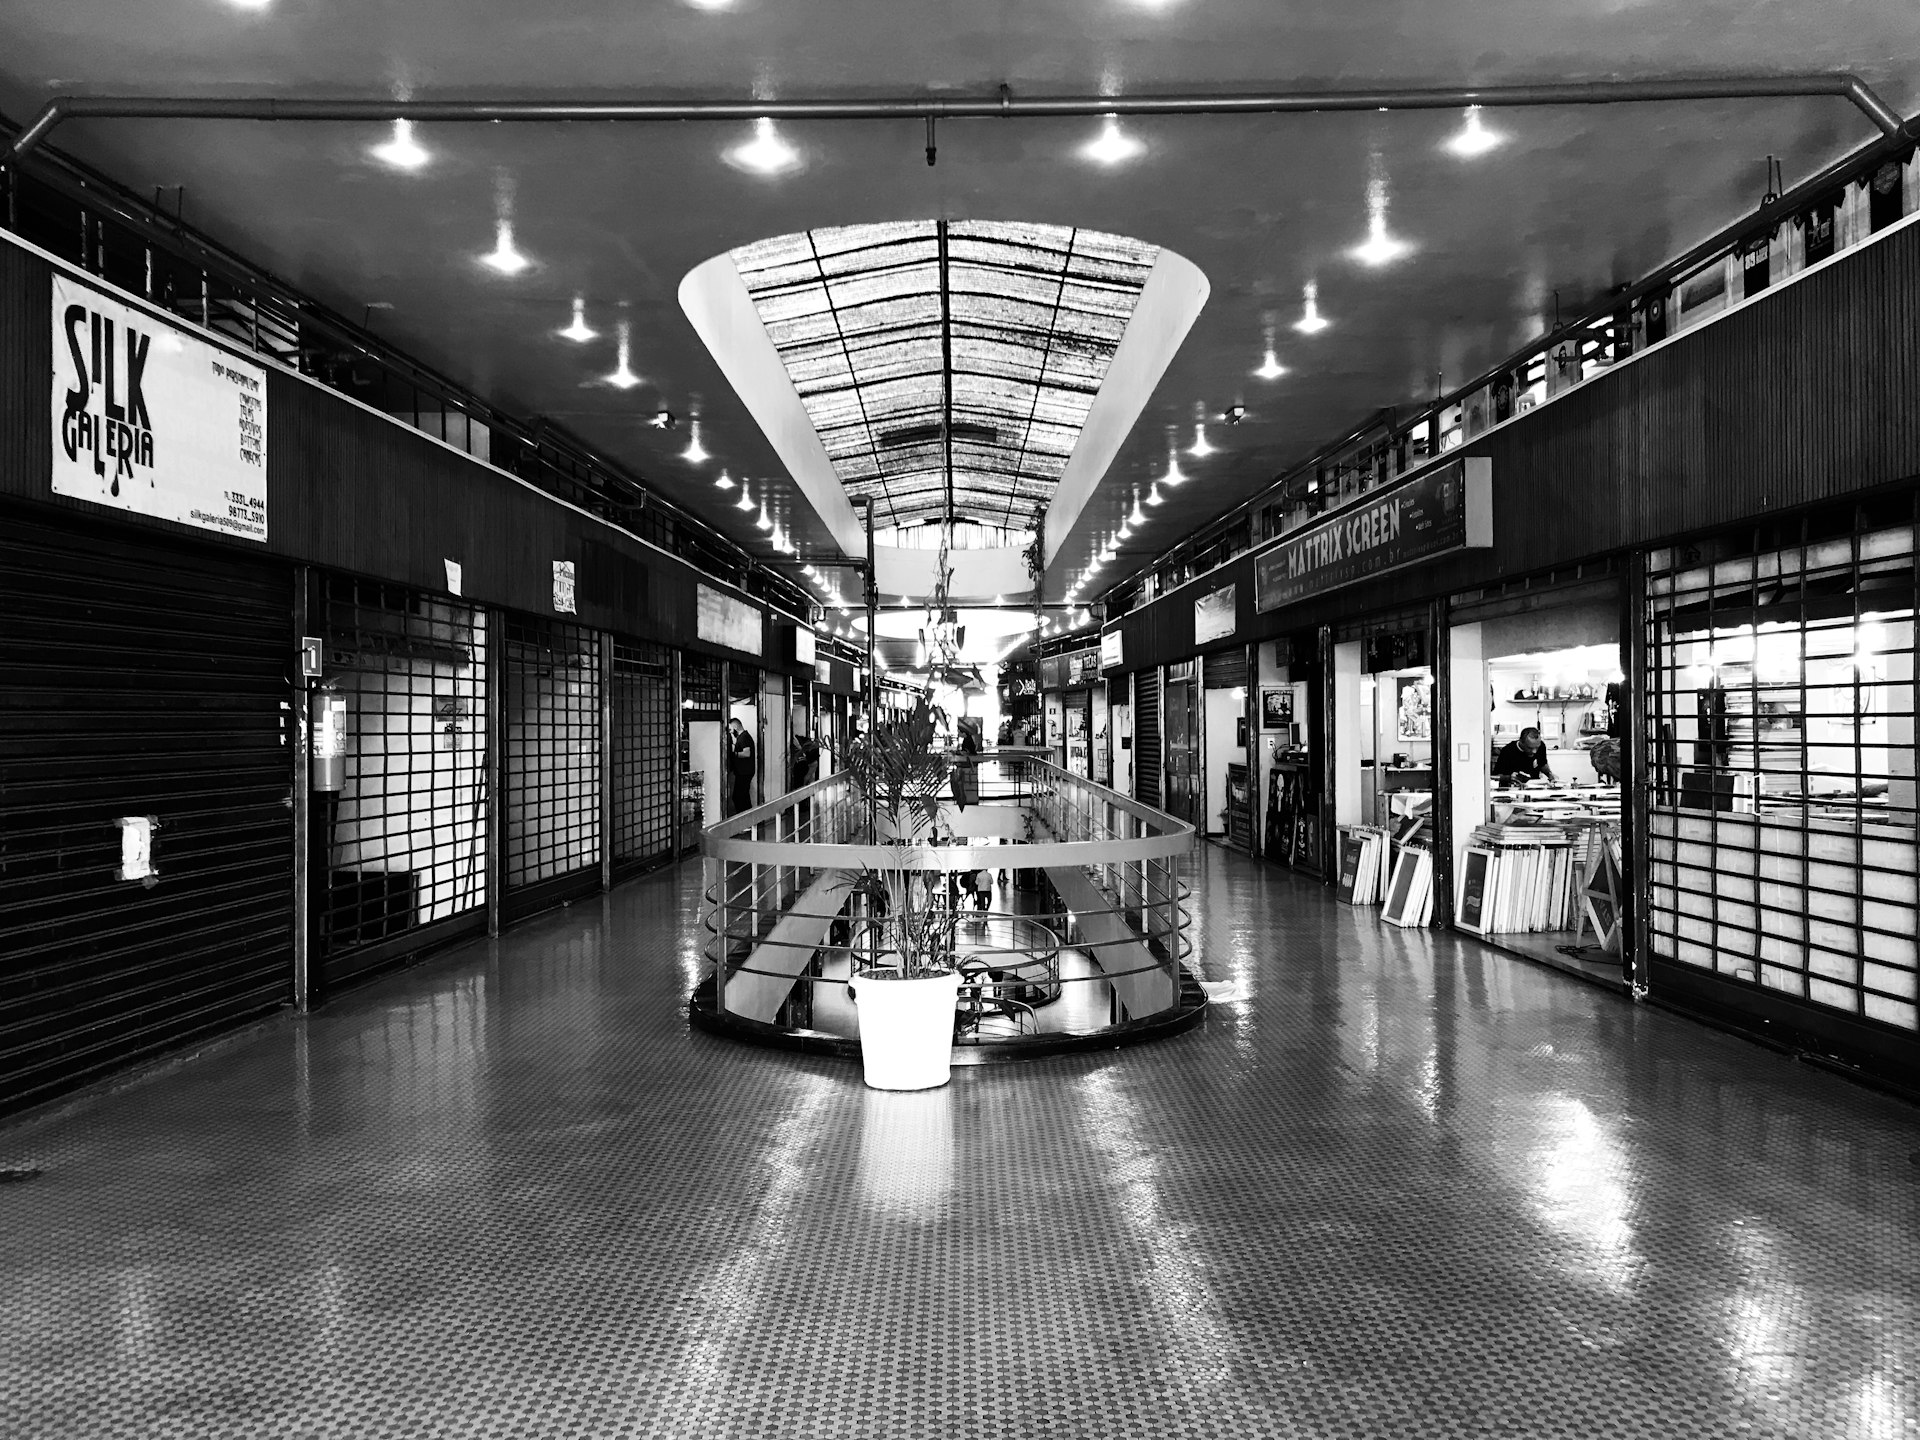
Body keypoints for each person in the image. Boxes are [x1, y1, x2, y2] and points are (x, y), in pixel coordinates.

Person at [726, 717, 757, 815]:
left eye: (731, 729)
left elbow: (747, 753)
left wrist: (733, 754)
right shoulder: (743, 737)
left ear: (735, 727)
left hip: (744, 772)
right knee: (743, 796)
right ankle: (748, 818)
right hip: (744, 771)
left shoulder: (744, 737)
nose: (730, 732)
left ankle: (743, 818)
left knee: (739, 796)